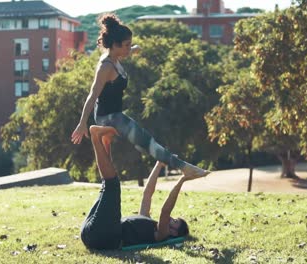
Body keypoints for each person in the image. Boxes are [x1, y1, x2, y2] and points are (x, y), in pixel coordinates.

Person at [71, 13, 209, 179]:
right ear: (115, 45)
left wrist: (134, 49)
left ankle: (175, 165)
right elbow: (93, 94)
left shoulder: (114, 57)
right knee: (145, 140)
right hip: (107, 117)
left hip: (114, 113)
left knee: (125, 151)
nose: (129, 49)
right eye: (127, 46)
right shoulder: (105, 67)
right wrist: (82, 123)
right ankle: (184, 168)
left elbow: (125, 53)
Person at [80, 125, 204, 250]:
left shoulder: (161, 235)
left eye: (175, 222)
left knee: (112, 185)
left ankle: (95, 137)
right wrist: (159, 164)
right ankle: (105, 142)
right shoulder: (147, 221)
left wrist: (182, 180)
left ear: (175, 233)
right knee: (106, 185)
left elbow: (165, 212)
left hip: (102, 238)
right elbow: (147, 195)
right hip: (89, 231)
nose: (172, 219)